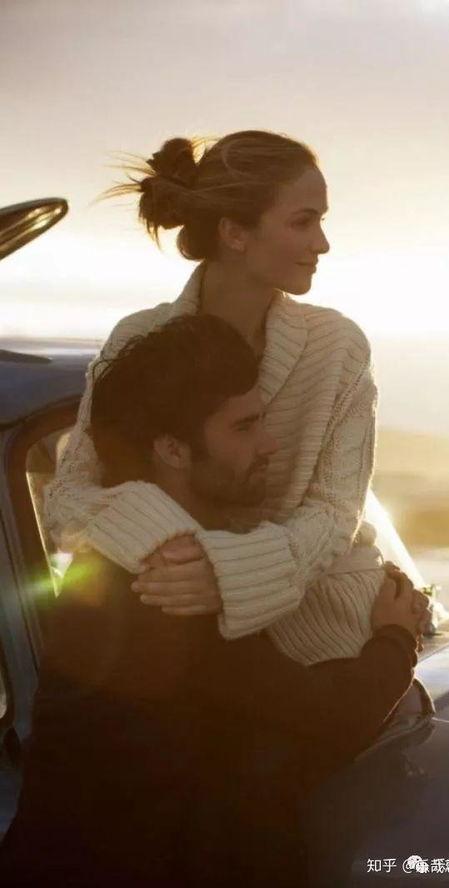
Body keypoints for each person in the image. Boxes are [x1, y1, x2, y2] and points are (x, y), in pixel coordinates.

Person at [2, 317, 426, 887]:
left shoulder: (149, 558)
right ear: (173, 450)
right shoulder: (160, 584)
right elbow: (329, 717)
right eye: (245, 426)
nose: (270, 443)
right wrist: (395, 637)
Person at [44, 129, 401, 665]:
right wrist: (171, 546)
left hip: (321, 635)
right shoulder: (137, 338)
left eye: (321, 221)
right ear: (234, 232)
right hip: (169, 620)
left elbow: (335, 511)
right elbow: (70, 494)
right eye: (303, 222)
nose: (322, 243)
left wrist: (231, 573)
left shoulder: (339, 346)